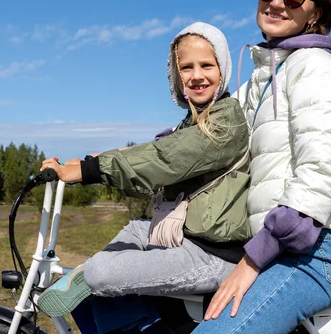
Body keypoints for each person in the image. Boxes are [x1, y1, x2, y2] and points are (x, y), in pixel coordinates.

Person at [192, 0, 331, 334]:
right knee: (105, 300)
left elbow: (319, 173)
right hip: (273, 251)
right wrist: (114, 161)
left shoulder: (315, 67)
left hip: (313, 255)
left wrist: (252, 262)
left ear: (314, 12)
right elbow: (206, 133)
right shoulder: (262, 76)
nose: (276, 2)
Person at [37, 22, 252, 321]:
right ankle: (107, 294)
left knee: (99, 274)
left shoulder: (226, 120)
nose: (197, 75)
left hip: (215, 255)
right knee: (137, 229)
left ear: (223, 69)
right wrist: (85, 160)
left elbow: (164, 159)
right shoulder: (190, 123)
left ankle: (96, 275)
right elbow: (151, 150)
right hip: (185, 238)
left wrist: (89, 170)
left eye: (207, 65)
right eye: (186, 68)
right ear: (176, 77)